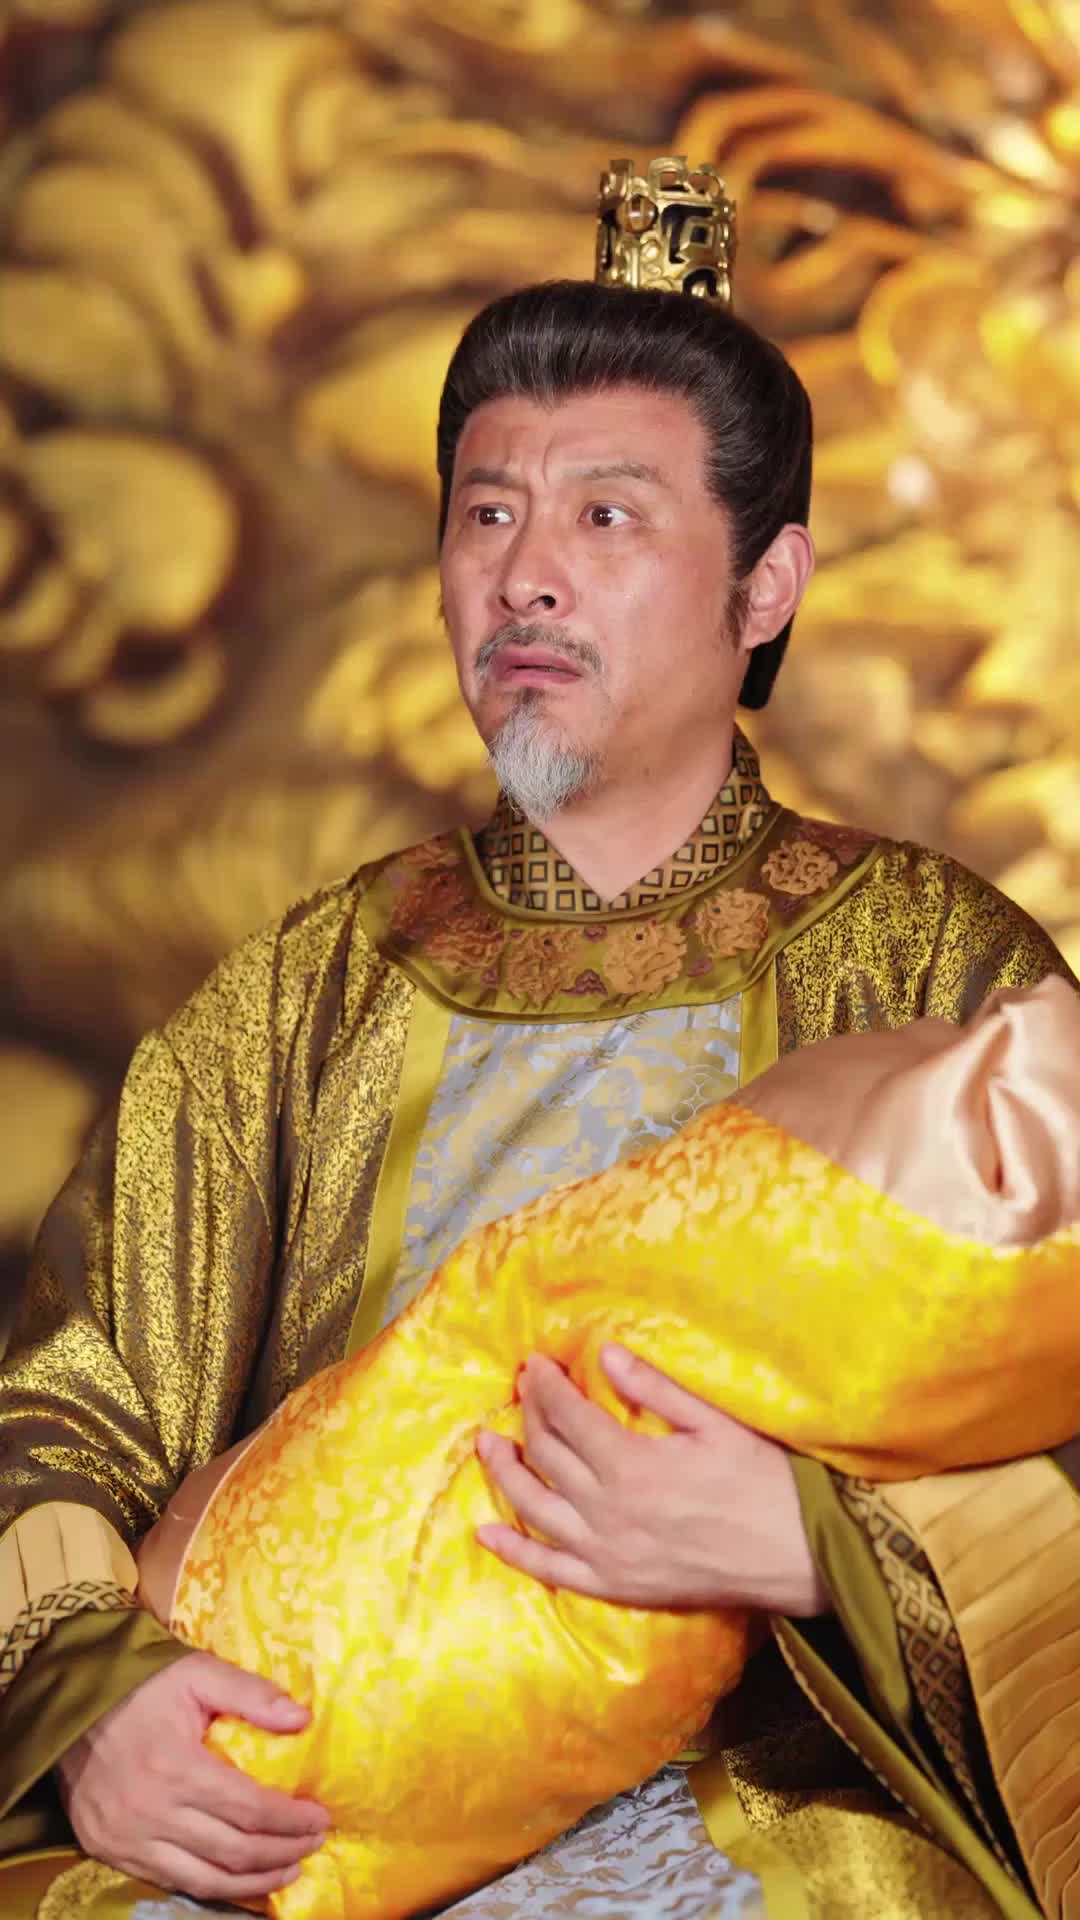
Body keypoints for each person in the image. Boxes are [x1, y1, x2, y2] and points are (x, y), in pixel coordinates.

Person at [0, 159, 1075, 1920]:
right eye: (486, 513)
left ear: (767, 585)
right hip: (298, 1796)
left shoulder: (939, 967)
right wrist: (91, 1699)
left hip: (779, 1807)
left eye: (607, 517)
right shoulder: (301, 993)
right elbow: (70, 1403)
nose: (526, 579)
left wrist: (829, 1550)